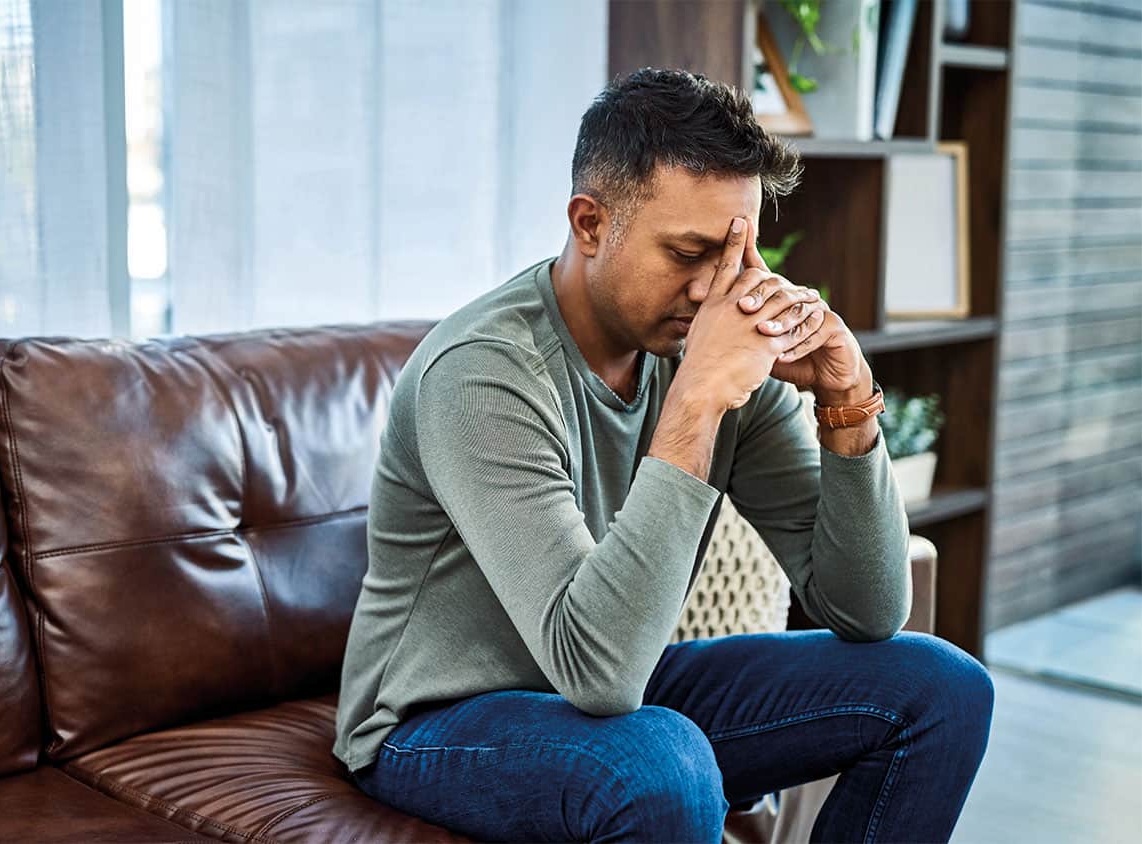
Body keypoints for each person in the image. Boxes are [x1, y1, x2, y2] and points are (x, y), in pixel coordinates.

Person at [332, 67, 994, 843]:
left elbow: (869, 609)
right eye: (687, 252)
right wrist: (695, 404)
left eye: (735, 254)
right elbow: (599, 673)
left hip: (611, 684)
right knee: (657, 760)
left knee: (940, 687)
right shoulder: (483, 371)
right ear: (588, 223)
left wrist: (845, 404)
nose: (716, 291)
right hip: (435, 724)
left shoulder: (708, 346)